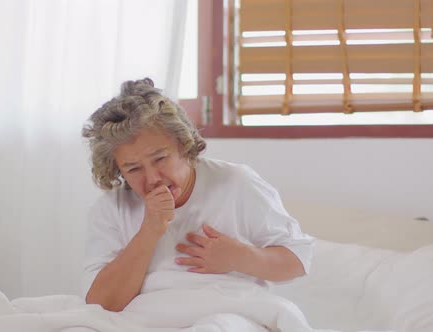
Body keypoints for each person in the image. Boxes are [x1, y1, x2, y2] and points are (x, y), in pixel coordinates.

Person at [81, 78, 314, 313]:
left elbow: (298, 261)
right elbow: (101, 304)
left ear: (184, 145)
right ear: (117, 170)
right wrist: (149, 231)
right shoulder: (112, 208)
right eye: (133, 169)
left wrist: (239, 257)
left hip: (227, 311)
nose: (153, 179)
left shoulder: (235, 182)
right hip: (146, 317)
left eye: (160, 159)